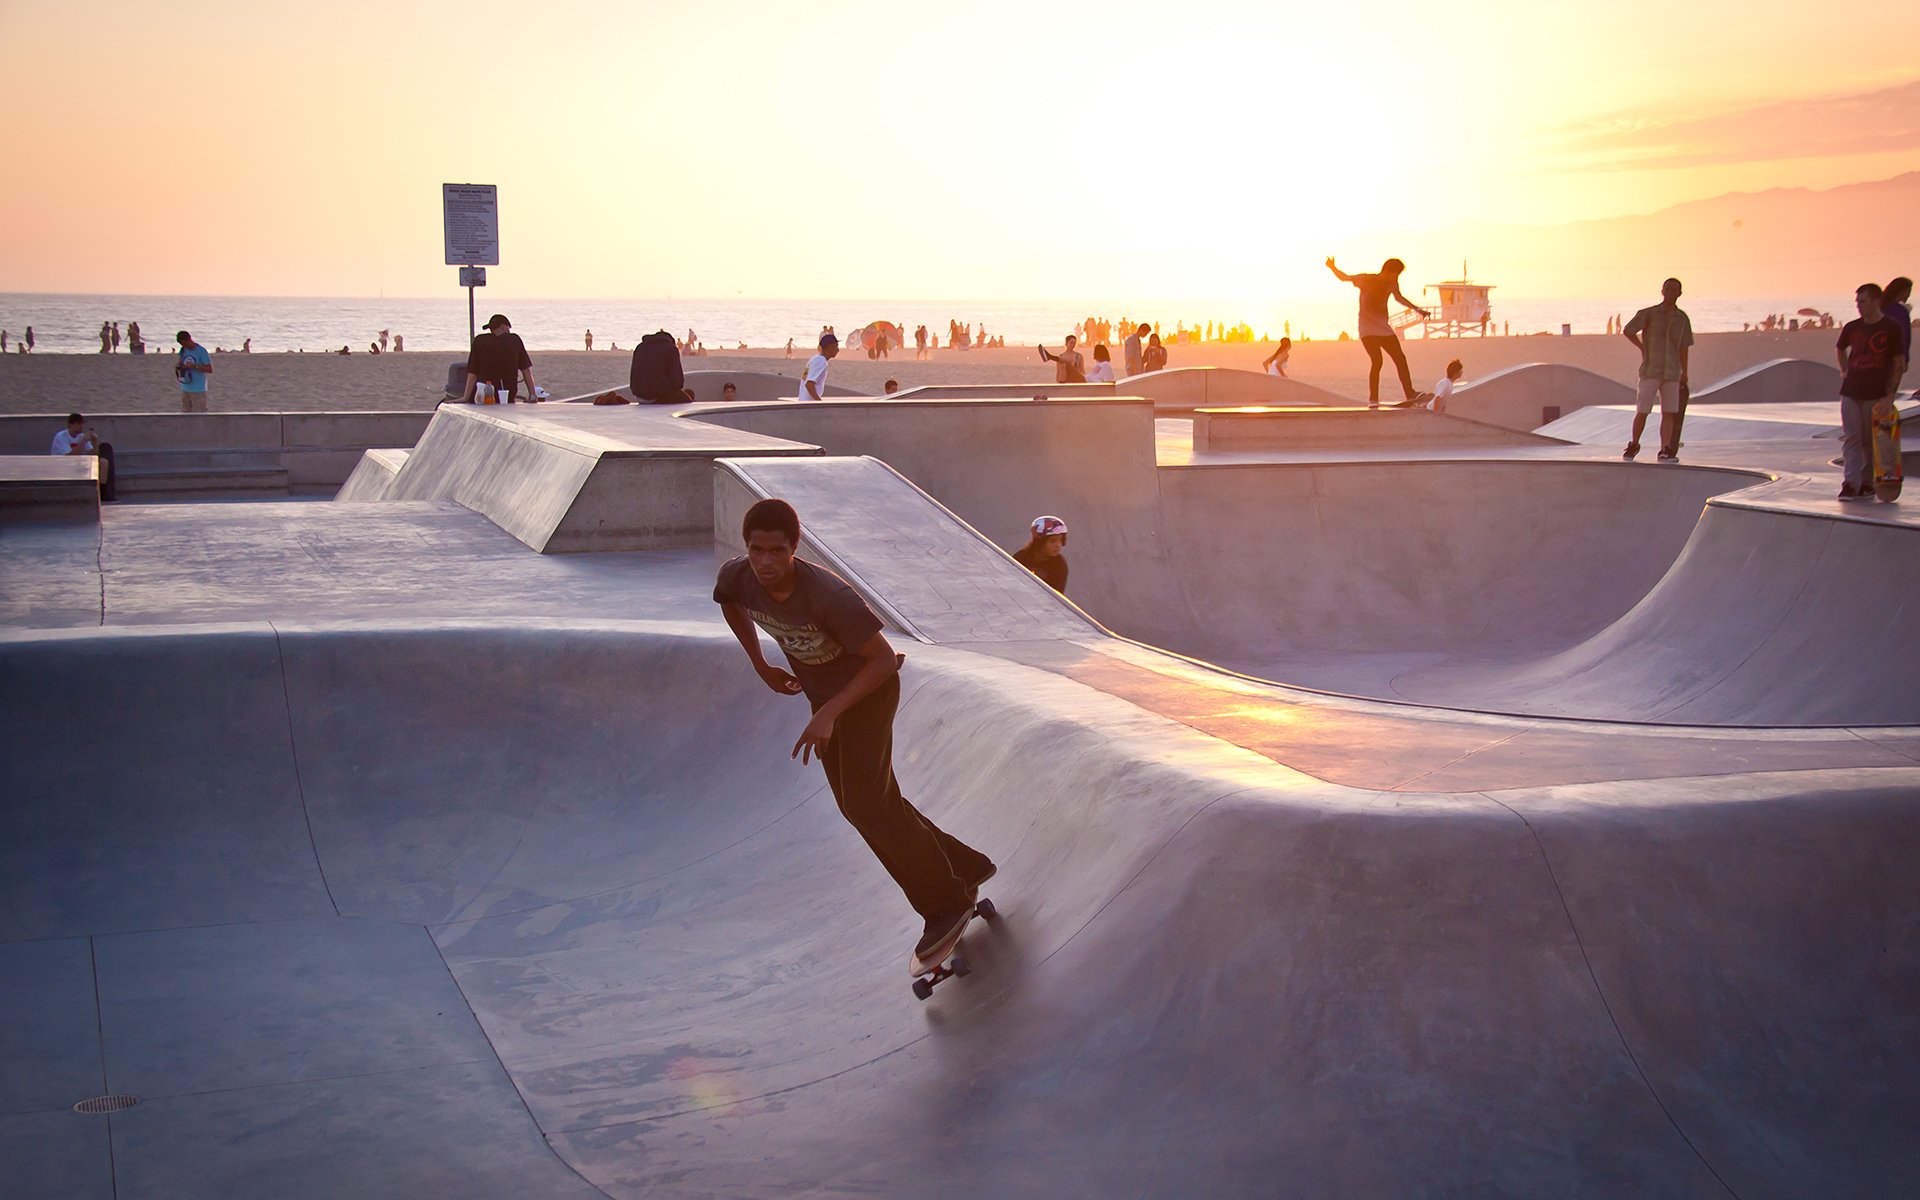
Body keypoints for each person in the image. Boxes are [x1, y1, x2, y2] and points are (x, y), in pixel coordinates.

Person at [713, 497, 996, 964]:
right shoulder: (736, 577)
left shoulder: (828, 597)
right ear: (747, 549)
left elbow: (883, 660)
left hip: (868, 694)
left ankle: (946, 902)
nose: (765, 562)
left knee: (868, 803)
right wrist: (760, 662)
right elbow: (730, 604)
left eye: (776, 552)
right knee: (860, 805)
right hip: (823, 697)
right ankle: (964, 865)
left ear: (794, 549)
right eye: (757, 550)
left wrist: (828, 714)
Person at [1834, 282, 1908, 502]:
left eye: (1863, 301)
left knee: (1869, 441)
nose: (1859, 306)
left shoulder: (1891, 327)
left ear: (1876, 301)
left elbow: (1898, 362)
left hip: (1876, 392)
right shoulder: (1852, 327)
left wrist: (1890, 396)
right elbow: (1840, 348)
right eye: (1857, 302)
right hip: (1851, 391)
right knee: (1852, 438)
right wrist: (1844, 370)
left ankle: (1867, 483)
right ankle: (1850, 483)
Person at [1325, 256, 1430, 407]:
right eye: (1396, 274)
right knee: (1377, 361)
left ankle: (1410, 393)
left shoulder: (1392, 283)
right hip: (1367, 329)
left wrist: (1418, 310)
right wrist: (1332, 267)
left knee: (1400, 358)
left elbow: (1399, 298)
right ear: (1387, 271)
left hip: (1383, 329)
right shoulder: (1366, 280)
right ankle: (1373, 399)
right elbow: (1345, 278)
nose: (1397, 277)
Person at [1621, 277, 1693, 461]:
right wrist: (1642, 347)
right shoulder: (1649, 314)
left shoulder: (1682, 318)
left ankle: (1665, 449)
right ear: (1662, 291)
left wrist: (1684, 372)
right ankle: (1634, 443)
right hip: (1650, 370)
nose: (1670, 293)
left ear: (1680, 293)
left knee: (1669, 412)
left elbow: (1684, 346)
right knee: (1643, 409)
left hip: (1672, 371)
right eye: (1668, 289)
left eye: (1674, 290)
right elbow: (1629, 330)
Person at [461, 313, 537, 403]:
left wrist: (465, 397)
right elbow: (526, 370)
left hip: (482, 395)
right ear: (503, 327)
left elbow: (472, 373)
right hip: (507, 395)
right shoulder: (514, 340)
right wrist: (532, 395)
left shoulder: (479, 341)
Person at [51, 412, 116, 502]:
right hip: (62, 464)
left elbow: (95, 456)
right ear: (71, 424)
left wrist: (95, 442)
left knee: (103, 462)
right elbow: (69, 457)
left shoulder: (81, 436)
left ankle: (102, 493)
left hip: (77, 463)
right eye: (78, 424)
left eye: (82, 424)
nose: (81, 426)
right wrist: (83, 441)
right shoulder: (61, 437)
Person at [1012, 515, 1069, 593]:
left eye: (1060, 540)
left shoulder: (1059, 566)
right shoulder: (1022, 557)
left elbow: (1056, 597)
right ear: (1040, 542)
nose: (1058, 545)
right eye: (1053, 541)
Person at [630, 329, 686, 403]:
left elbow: (633, 373)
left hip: (639, 395)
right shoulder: (671, 349)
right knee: (687, 398)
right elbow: (677, 380)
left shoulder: (640, 347)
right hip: (658, 396)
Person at [174, 330, 213, 412]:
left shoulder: (201, 351)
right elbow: (181, 363)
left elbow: (209, 369)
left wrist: (194, 366)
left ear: (188, 340)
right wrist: (181, 367)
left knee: (199, 415)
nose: (184, 346)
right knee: (186, 415)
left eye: (184, 344)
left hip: (198, 389)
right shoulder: (183, 350)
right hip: (185, 387)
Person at [800, 332, 838, 400]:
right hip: (809, 406)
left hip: (804, 403)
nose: (838, 350)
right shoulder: (821, 361)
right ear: (830, 347)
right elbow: (809, 384)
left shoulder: (815, 359)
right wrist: (819, 402)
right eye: (836, 346)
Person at [1883, 276, 1913, 359]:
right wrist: (1905, 358)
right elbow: (1905, 336)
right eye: (1908, 291)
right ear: (1902, 291)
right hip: (1894, 356)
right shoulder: (1900, 311)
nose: (1909, 295)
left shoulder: (1879, 307)